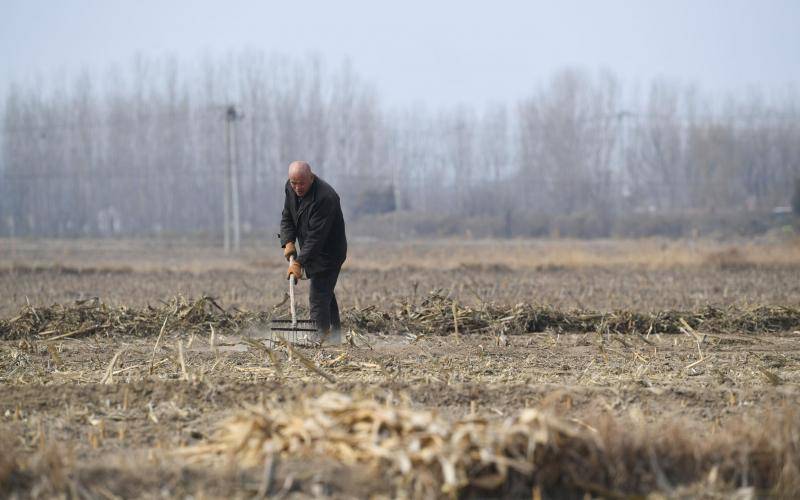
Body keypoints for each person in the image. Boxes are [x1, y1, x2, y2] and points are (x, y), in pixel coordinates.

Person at [279, 161, 347, 344]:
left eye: (301, 183)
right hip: (312, 249)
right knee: (325, 293)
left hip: (329, 253)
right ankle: (334, 336)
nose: (297, 187)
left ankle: (320, 337)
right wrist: (288, 241)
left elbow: (317, 238)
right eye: (294, 183)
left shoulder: (326, 197)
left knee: (318, 295)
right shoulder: (290, 188)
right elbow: (287, 216)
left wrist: (299, 263)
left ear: (311, 177)